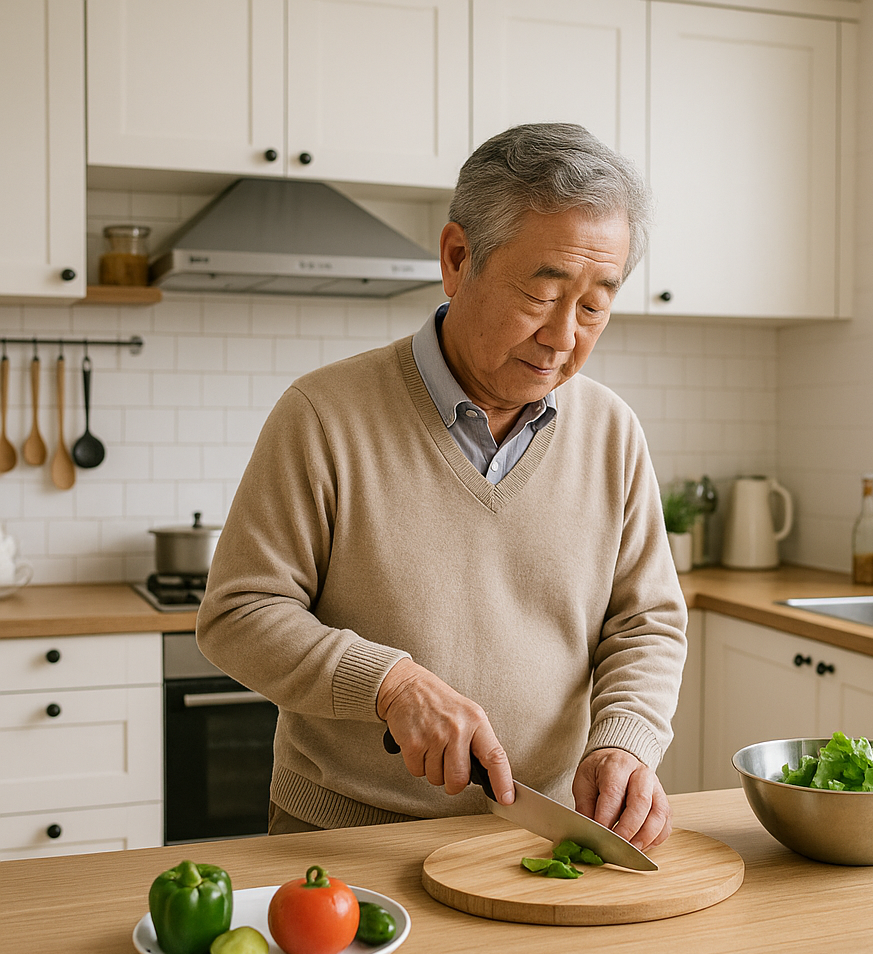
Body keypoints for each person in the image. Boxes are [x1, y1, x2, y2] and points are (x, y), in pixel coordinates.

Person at [196, 122, 687, 851]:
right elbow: (238, 614)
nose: (562, 337)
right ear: (458, 259)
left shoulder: (612, 431)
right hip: (343, 839)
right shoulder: (323, 414)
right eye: (541, 293)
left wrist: (624, 740)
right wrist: (388, 684)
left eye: (593, 307)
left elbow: (646, 624)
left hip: (538, 837)